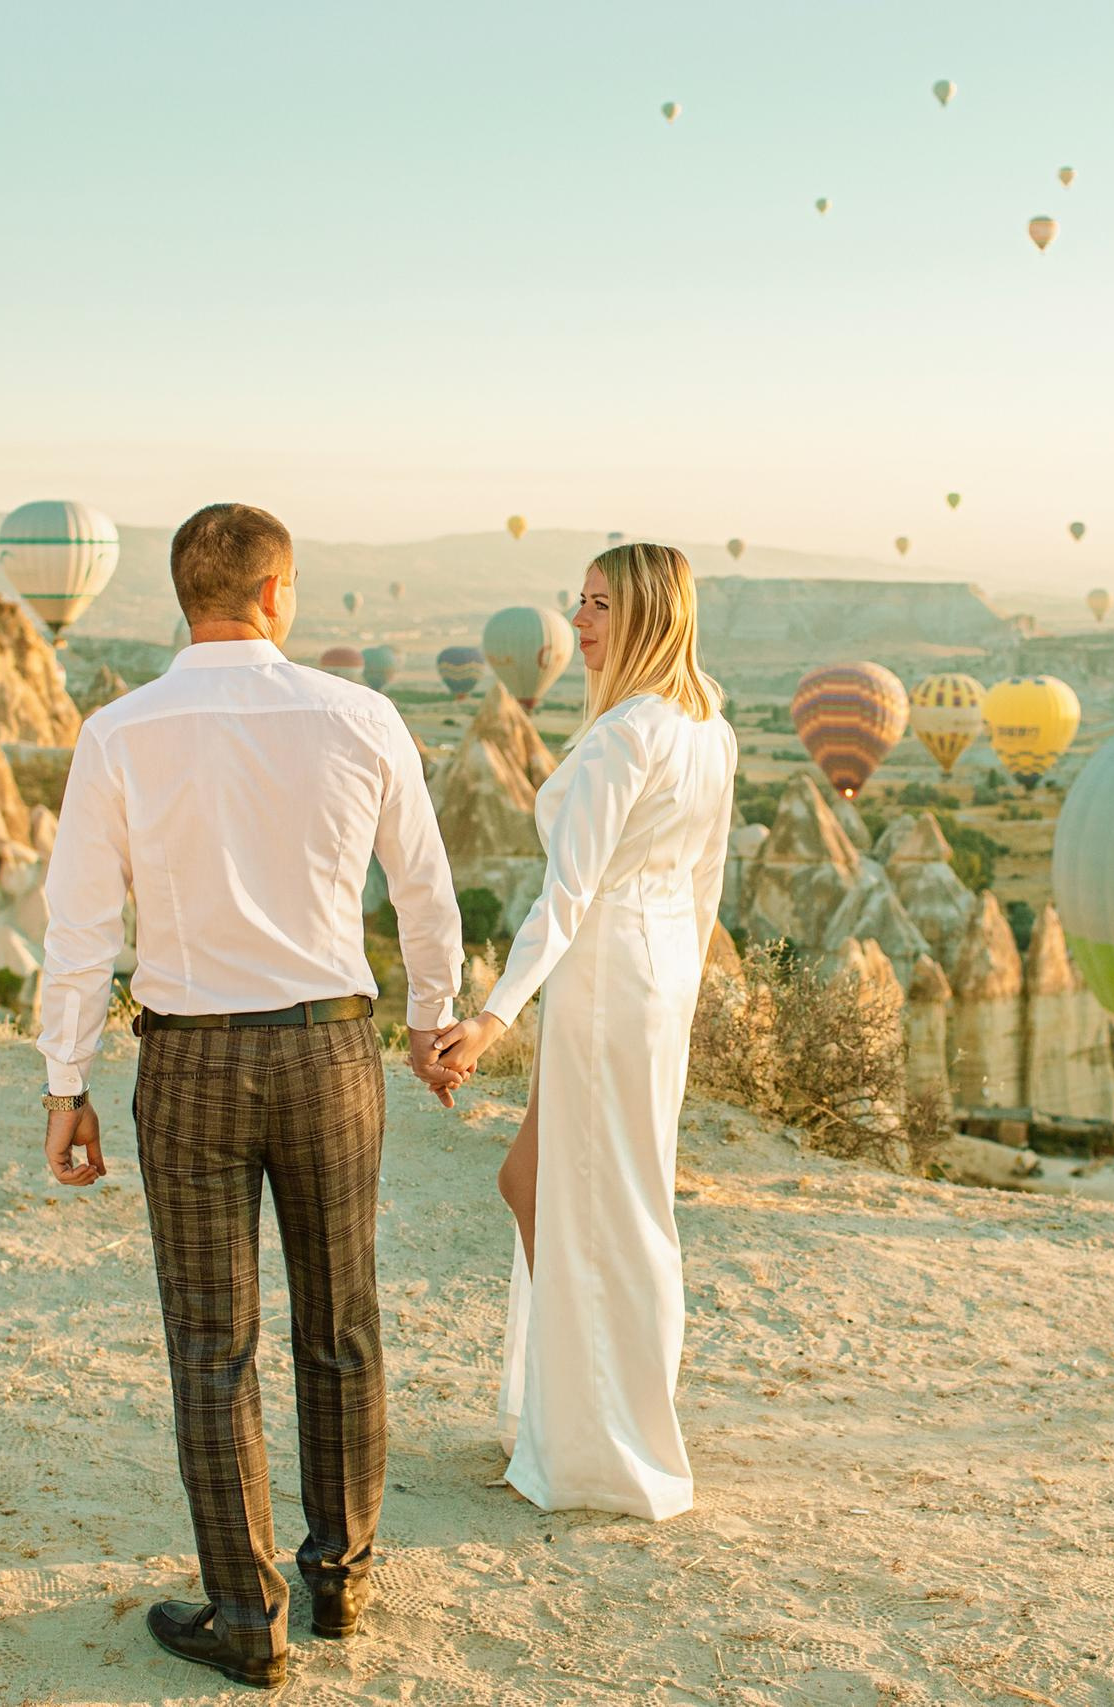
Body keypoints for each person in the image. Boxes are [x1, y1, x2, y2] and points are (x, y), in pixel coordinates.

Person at [37, 502, 465, 1690]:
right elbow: (424, 896)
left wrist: (64, 1078)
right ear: (278, 595)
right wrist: (434, 1022)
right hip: (329, 1053)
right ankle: (343, 1582)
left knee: (212, 1349)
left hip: (191, 1066)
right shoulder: (360, 716)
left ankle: (245, 1616)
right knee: (341, 1325)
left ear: (183, 597)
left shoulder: (118, 732)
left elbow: (80, 925)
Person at [433, 542, 737, 1520]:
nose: (581, 623)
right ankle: (561, 1415)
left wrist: (489, 1018)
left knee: (607, 1206)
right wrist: (678, 1001)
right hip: (650, 979)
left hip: (603, 974)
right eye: (579, 602)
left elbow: (563, 900)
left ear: (650, 615)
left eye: (602, 606)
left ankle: (609, 1451)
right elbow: (704, 887)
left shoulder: (624, 738)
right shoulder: (706, 731)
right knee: (537, 1182)